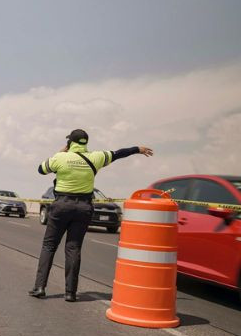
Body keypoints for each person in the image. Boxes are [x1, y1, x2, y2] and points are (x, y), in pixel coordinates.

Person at [29, 129, 153, 302]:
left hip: (61, 206)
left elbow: (41, 169)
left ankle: (40, 287)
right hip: (83, 208)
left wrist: (60, 152)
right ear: (85, 142)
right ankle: (70, 293)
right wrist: (137, 149)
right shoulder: (96, 157)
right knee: (73, 248)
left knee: (49, 246)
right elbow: (118, 154)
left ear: (70, 142)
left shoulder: (60, 158)